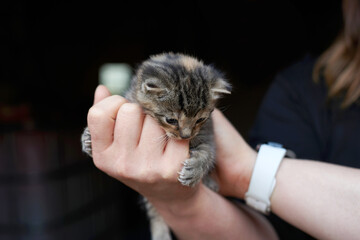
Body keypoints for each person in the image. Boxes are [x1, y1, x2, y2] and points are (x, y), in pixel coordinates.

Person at [86, 0, 360, 239]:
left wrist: (237, 170)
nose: (185, 133)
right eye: (173, 120)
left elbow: (208, 150)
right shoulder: (300, 90)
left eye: (199, 121)